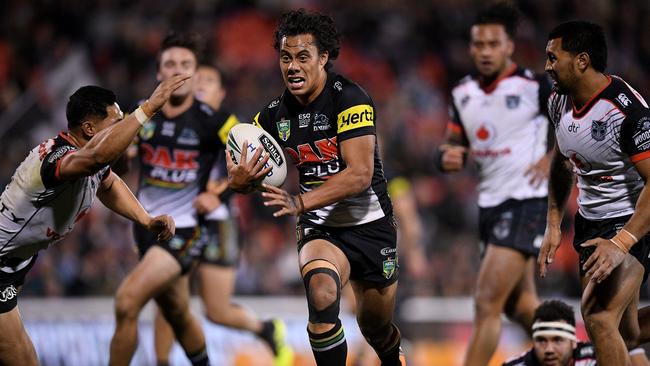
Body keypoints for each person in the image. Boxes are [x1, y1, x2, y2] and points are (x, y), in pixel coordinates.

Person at [227, 9, 406, 366]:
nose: (292, 66)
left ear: (323, 58)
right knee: (321, 294)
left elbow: (359, 175)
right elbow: (245, 173)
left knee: (376, 327)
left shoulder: (351, 99)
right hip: (321, 226)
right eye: (285, 57)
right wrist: (240, 183)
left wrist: (299, 200)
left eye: (302, 57)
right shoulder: (271, 117)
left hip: (371, 225)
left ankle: (392, 356)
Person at [0, 75, 186, 366]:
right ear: (89, 129)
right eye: (117, 122)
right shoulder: (58, 157)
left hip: (15, 263)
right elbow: (96, 160)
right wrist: (147, 109)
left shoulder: (95, 161)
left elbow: (108, 184)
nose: (125, 130)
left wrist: (146, 220)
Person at [151, 64, 294, 366]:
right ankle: (161, 361)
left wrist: (219, 195)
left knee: (216, 311)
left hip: (219, 223)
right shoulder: (180, 122)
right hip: (183, 221)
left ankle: (265, 329)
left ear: (221, 92)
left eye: (209, 81)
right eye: (197, 80)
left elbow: (253, 177)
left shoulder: (234, 129)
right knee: (167, 296)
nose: (200, 84)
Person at [438, 3, 551, 365]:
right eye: (478, 44)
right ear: (471, 47)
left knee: (487, 302)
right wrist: (446, 157)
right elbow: (451, 144)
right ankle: (587, 351)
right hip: (489, 205)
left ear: (508, 47)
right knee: (520, 307)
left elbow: (572, 126)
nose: (484, 52)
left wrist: (551, 159)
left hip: (526, 201)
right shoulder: (462, 93)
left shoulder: (537, 86)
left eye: (492, 44)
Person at [108, 32, 231, 366]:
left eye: (185, 64)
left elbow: (247, 164)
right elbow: (116, 162)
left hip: (187, 231)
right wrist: (124, 155)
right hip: (146, 227)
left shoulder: (216, 121)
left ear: (195, 71)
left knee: (127, 301)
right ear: (159, 72)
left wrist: (218, 192)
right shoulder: (141, 114)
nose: (177, 70)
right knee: (176, 311)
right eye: (170, 64)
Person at [539, 20, 650, 366]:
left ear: (582, 60)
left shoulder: (626, 112)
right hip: (590, 225)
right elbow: (560, 163)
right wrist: (554, 224)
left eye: (553, 57)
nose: (547, 66)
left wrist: (621, 243)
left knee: (599, 319)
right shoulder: (559, 102)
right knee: (626, 332)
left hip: (631, 225)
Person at [503, 300, 595, 366]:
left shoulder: (595, 358)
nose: (549, 350)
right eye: (541, 340)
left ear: (573, 342)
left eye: (557, 340)